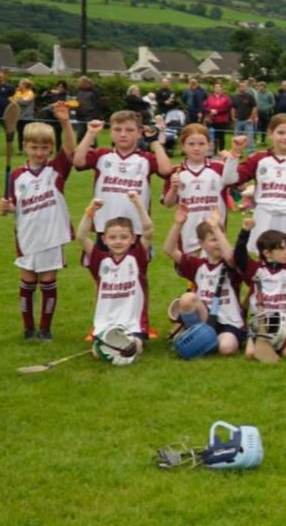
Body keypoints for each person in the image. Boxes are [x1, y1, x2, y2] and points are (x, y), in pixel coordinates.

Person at [1, 104, 76, 340]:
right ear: (25, 146)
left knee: (48, 282)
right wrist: (5, 207)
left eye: (44, 147)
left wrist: (65, 122)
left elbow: (70, 148)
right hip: (26, 236)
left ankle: (45, 329)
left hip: (52, 236)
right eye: (34, 147)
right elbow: (13, 205)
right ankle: (28, 328)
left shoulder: (56, 169)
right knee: (27, 282)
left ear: (51, 148)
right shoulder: (17, 175)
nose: (39, 152)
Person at [229, 113, 286, 261]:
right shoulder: (258, 158)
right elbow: (231, 180)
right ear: (270, 133)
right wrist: (235, 153)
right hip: (265, 217)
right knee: (265, 262)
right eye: (281, 132)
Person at [76, 193, 152, 358]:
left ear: (133, 239)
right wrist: (91, 211)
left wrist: (138, 204)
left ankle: (129, 344)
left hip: (132, 324)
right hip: (105, 324)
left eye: (124, 237)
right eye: (112, 237)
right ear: (104, 239)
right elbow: (81, 236)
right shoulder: (99, 259)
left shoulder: (137, 257)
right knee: (97, 354)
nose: (118, 241)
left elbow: (148, 231)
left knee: (135, 348)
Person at [73, 111, 172, 237]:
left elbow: (166, 170)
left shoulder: (146, 158)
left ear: (139, 133)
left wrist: (154, 142)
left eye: (129, 130)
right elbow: (78, 161)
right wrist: (90, 133)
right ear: (111, 132)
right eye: (117, 130)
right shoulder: (102, 155)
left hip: (137, 227)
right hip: (105, 226)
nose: (123, 134)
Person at [163, 207, 244, 356]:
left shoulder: (231, 264)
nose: (218, 243)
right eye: (213, 240)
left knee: (226, 348)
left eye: (220, 238)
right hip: (205, 316)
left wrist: (216, 228)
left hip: (229, 321)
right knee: (187, 299)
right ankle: (198, 334)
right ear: (201, 243)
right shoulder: (197, 265)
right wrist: (178, 224)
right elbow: (169, 250)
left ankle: (207, 341)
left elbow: (229, 256)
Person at [234, 218, 286, 359]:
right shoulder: (255, 270)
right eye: (281, 249)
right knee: (250, 354)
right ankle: (256, 339)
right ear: (267, 253)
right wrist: (245, 232)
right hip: (260, 320)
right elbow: (240, 257)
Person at [160, 124, 239, 255]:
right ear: (182, 146)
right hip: (188, 234)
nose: (196, 148)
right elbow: (168, 204)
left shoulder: (219, 168)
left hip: (215, 235)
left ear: (209, 145)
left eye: (201, 144)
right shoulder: (177, 171)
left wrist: (232, 158)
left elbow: (238, 184)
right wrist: (173, 189)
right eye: (191, 144)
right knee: (191, 266)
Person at [204, 81, 233, 153]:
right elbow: (205, 107)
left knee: (221, 136)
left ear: (221, 89)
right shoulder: (210, 97)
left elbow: (228, 108)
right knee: (212, 136)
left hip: (222, 120)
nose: (217, 89)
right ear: (213, 89)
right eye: (216, 87)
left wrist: (217, 111)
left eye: (218, 87)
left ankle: (221, 151)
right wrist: (210, 110)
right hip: (212, 120)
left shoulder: (226, 98)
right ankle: (213, 151)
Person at [230, 80, 258, 156]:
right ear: (238, 87)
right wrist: (233, 117)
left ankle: (251, 152)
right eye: (241, 86)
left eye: (244, 86)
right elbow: (233, 108)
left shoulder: (250, 96)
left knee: (250, 136)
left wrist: (251, 118)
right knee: (237, 137)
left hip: (248, 120)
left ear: (246, 87)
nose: (242, 87)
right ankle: (238, 151)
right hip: (238, 120)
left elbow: (254, 107)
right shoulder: (235, 97)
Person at [253, 80, 274, 146]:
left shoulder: (269, 94)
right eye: (259, 86)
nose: (260, 88)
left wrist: (267, 108)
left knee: (264, 127)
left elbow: (273, 103)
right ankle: (255, 140)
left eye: (261, 86)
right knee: (256, 126)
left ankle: (263, 140)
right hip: (257, 113)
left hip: (266, 113)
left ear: (265, 87)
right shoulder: (256, 94)